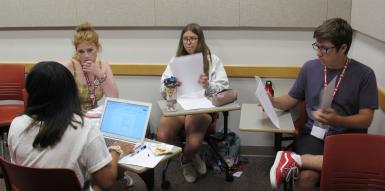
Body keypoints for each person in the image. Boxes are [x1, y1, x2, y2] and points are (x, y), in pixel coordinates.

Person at [269, 18, 378, 190]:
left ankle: (295, 159)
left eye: (325, 48)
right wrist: (272, 101)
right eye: (317, 46)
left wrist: (338, 120)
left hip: (348, 137)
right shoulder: (309, 68)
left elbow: (366, 119)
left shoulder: (365, 75)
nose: (318, 53)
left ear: (343, 48)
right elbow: (291, 99)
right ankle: (296, 160)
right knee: (306, 178)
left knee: (350, 169)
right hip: (314, 135)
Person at [8, 61, 134, 190]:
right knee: (111, 185)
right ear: (70, 92)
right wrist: (116, 150)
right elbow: (106, 181)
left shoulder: (16, 125)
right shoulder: (84, 128)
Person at [156, 23, 229, 183]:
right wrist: (171, 84)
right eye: (185, 39)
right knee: (162, 136)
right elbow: (162, 88)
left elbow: (224, 86)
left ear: (200, 40)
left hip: (201, 107)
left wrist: (207, 84)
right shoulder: (175, 61)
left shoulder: (212, 60)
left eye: (193, 39)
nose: (189, 42)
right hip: (178, 106)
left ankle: (186, 159)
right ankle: (189, 155)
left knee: (195, 143)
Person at [63, 22, 118, 112]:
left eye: (90, 50)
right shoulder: (69, 67)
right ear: (76, 51)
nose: (86, 55)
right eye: (81, 51)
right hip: (74, 118)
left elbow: (114, 98)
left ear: (97, 47)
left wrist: (99, 74)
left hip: (94, 117)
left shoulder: (103, 65)